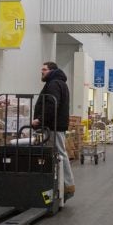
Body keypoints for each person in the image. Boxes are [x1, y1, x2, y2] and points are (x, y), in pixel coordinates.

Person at [32, 62, 75, 199]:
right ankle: (57, 185)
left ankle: (67, 186)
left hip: (53, 127)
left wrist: (39, 120)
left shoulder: (54, 84)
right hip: (53, 126)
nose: (42, 72)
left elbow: (51, 105)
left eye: (44, 69)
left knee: (60, 154)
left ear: (52, 70)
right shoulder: (57, 83)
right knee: (56, 155)